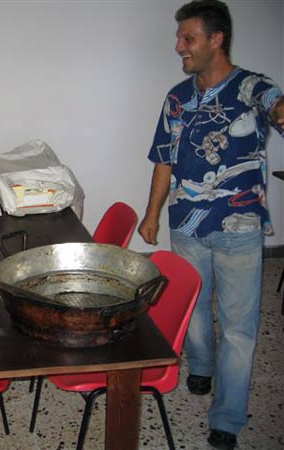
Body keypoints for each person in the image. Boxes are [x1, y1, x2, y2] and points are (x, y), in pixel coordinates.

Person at [138, 1, 284, 449]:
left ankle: (227, 418)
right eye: (179, 37)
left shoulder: (252, 87)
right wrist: (151, 214)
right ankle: (201, 366)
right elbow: (163, 160)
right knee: (195, 307)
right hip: (186, 224)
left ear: (216, 39)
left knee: (238, 328)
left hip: (239, 228)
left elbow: (276, 105)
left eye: (188, 38)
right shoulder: (177, 98)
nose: (178, 46)